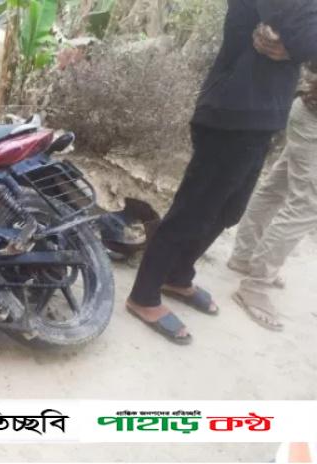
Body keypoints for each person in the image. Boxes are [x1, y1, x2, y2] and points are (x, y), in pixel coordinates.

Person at [126, 0, 317, 345]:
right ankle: (144, 293)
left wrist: (296, 50)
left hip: (262, 115)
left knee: (229, 210)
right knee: (194, 209)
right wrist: (299, 48)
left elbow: (304, 43)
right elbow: (305, 36)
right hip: (233, 111)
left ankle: (177, 274)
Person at [227, 58, 317, 331]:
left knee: (275, 188)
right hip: (312, 119)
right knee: (307, 205)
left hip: (308, 111)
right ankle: (255, 286)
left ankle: (245, 257)